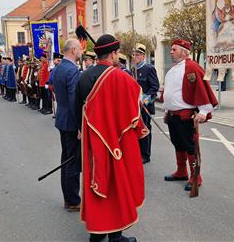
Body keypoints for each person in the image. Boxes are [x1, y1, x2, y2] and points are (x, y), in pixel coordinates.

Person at [75, 34, 148, 242]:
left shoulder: (84, 76)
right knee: (116, 186)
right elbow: (134, 115)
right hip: (116, 141)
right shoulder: (122, 77)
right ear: (114, 53)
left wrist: (80, 133)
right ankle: (115, 237)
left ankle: (96, 236)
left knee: (94, 182)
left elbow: (76, 109)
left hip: (92, 140)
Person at [163, 39, 218, 191]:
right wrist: (167, 111)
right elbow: (173, 92)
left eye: (174, 49)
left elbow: (201, 89)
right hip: (173, 116)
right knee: (178, 144)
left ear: (184, 51)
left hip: (186, 116)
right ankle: (181, 171)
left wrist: (204, 111)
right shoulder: (173, 69)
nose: (171, 51)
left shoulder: (192, 67)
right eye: (171, 49)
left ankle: (196, 176)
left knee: (190, 147)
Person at [52, 39, 82, 212]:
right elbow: (74, 101)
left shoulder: (58, 68)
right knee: (72, 161)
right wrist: (79, 126)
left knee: (66, 159)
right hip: (71, 122)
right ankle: (72, 200)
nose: (81, 51)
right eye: (79, 48)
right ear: (72, 50)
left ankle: (68, 198)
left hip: (62, 119)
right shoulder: (72, 71)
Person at [131, 43, 159, 164]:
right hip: (135, 106)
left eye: (137, 55)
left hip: (145, 106)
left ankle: (145, 155)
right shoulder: (133, 70)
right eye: (133, 55)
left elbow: (154, 88)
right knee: (136, 129)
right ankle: (137, 152)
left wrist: (145, 100)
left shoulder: (149, 69)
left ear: (143, 56)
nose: (135, 57)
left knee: (145, 129)